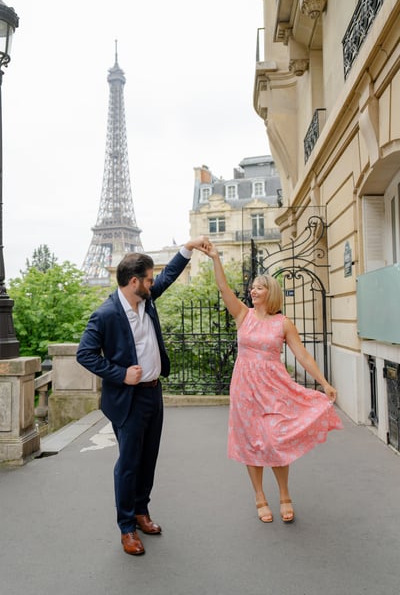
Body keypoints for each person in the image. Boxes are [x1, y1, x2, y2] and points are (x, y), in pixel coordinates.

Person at [76, 236, 209, 555]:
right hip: (129, 400)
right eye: (148, 279)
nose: (153, 283)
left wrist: (188, 248)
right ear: (134, 281)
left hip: (154, 393)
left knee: (148, 459)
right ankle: (126, 528)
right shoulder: (106, 313)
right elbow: (85, 354)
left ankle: (141, 511)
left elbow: (167, 276)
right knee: (129, 464)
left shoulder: (146, 299)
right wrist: (121, 374)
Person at [201, 241, 343, 524]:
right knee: (251, 441)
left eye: (259, 287)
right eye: (252, 287)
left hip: (274, 386)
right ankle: (259, 496)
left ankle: (284, 493)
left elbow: (302, 356)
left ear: (270, 293)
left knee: (276, 438)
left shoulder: (283, 323)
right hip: (244, 387)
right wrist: (216, 258)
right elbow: (223, 289)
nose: (253, 290)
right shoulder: (243, 315)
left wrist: (324, 382)